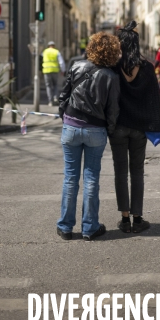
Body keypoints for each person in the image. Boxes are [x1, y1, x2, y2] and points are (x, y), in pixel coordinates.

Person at [57, 32, 120, 241]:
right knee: (91, 178)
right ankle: (89, 227)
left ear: (91, 47)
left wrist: (65, 118)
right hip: (96, 130)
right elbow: (113, 110)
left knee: (70, 178)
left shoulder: (76, 66)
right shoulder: (111, 76)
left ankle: (65, 227)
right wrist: (110, 131)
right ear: (112, 52)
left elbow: (62, 96)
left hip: (71, 128)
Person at [110, 21, 160, 234]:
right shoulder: (147, 67)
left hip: (117, 127)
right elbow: (155, 98)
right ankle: (138, 218)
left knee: (120, 172)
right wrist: (157, 124)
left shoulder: (113, 67)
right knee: (137, 171)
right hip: (139, 129)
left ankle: (124, 220)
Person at [41, 41, 66, 106]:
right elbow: (61, 62)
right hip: (55, 70)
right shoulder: (56, 52)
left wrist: (40, 69)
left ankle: (50, 101)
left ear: (48, 46)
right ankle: (55, 97)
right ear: (54, 46)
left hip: (46, 71)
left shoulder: (44, 52)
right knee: (55, 85)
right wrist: (63, 70)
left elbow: (40, 60)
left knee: (48, 86)